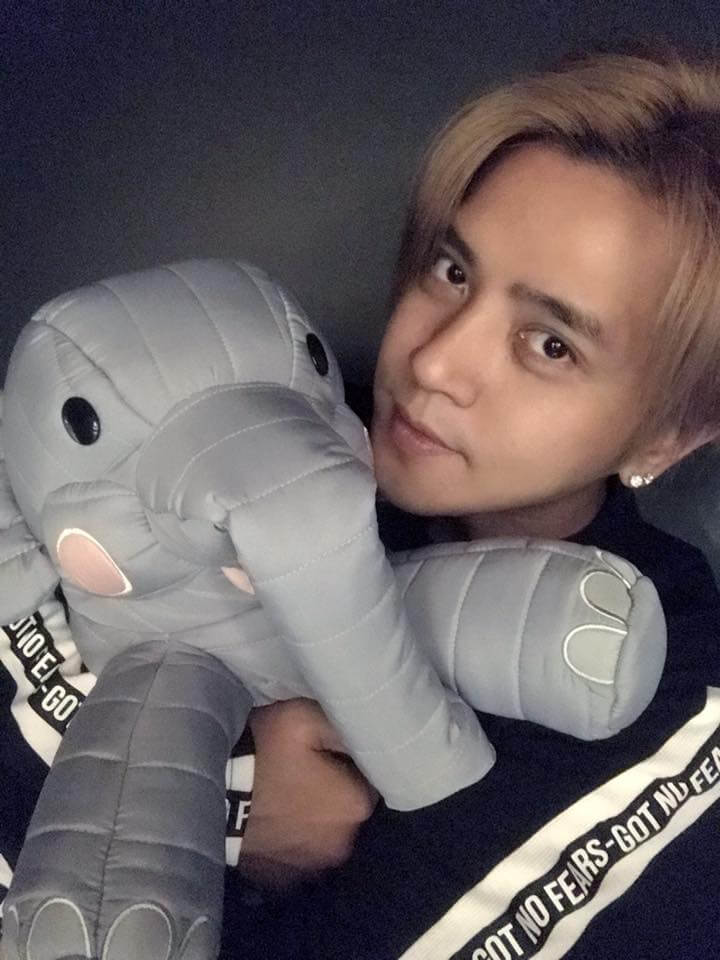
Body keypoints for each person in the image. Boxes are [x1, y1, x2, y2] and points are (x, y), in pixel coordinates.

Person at [222, 51, 720, 959]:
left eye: (550, 344)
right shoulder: (265, 439)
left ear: (666, 438)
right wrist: (219, 792)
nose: (433, 361)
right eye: (453, 271)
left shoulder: (657, 693)